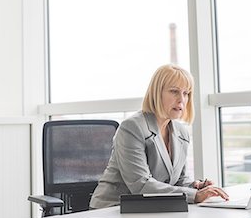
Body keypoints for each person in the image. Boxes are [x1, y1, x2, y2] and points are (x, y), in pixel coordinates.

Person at [90, 64, 229, 208]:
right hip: (112, 209)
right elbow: (141, 185)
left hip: (149, 208)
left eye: (186, 93)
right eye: (174, 91)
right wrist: (194, 196)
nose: (182, 99)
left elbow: (177, 180)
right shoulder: (132, 127)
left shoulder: (181, 132)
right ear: (157, 93)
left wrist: (196, 186)